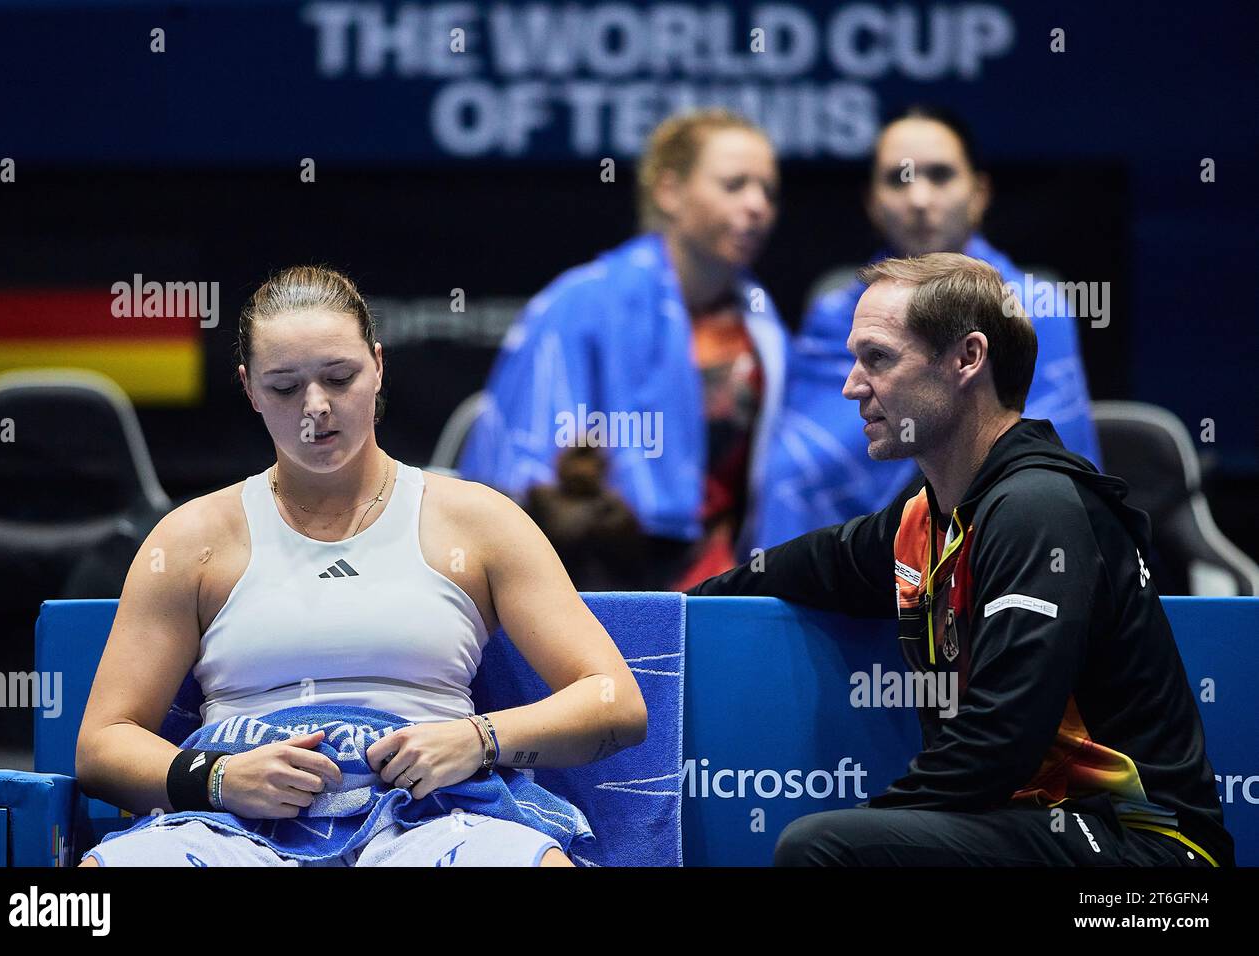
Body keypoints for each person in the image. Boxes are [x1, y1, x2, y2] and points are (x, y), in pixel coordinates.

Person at [75, 265, 647, 867]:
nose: (315, 407)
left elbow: (615, 703)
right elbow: (101, 746)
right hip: (234, 829)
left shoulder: (479, 523)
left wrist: (480, 740)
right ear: (248, 388)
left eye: (339, 376)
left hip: (434, 819)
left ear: (377, 365)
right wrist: (215, 778)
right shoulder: (191, 540)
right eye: (284, 387)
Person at [688, 253, 1233, 867]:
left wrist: (874, 832)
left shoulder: (1038, 510)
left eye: (878, 358)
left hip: (1152, 857)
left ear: (967, 360)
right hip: (1034, 831)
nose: (851, 386)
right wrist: (666, 617)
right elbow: (785, 570)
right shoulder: (925, 522)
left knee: (826, 850)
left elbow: (1000, 742)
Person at [459, 108, 788, 591]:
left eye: (769, 190)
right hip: (590, 579)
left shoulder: (764, 325)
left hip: (722, 583)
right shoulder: (580, 302)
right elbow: (521, 469)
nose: (757, 205)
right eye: (735, 185)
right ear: (669, 191)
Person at [756, 105, 1101, 548]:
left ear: (978, 193)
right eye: (899, 179)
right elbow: (798, 470)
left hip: (997, 554)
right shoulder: (835, 312)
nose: (919, 199)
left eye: (940, 176)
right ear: (872, 202)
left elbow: (1054, 467)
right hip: (853, 564)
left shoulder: (1032, 308)